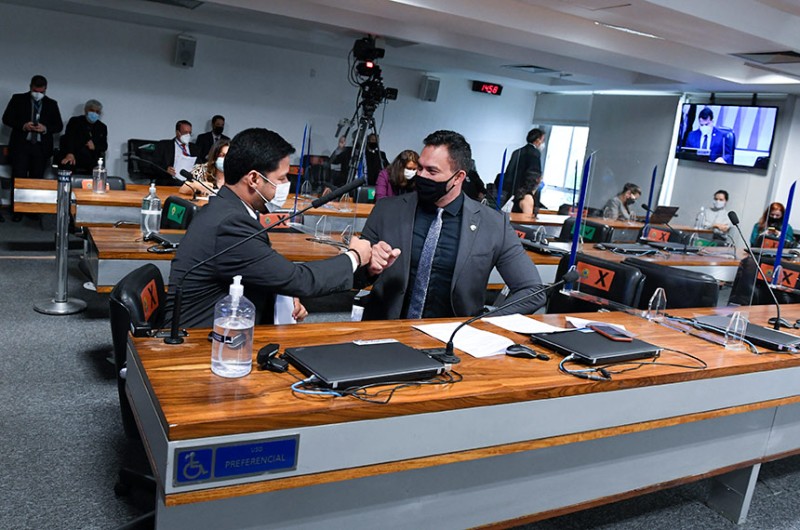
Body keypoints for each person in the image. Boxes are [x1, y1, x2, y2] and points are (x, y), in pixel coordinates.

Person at [164, 128, 372, 328]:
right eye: (281, 178)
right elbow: (300, 280)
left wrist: (284, 292)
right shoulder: (231, 224)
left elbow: (263, 270)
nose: (286, 184)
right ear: (254, 179)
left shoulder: (226, 208)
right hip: (201, 340)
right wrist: (354, 256)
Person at [357, 130, 547, 320]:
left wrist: (483, 323)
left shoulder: (494, 224)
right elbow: (354, 277)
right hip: (385, 328)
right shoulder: (387, 210)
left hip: (454, 333)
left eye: (432, 171)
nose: (421, 175)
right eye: (420, 168)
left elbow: (532, 291)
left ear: (458, 177)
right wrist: (370, 267)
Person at [2, 75, 63, 222]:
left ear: (45, 89)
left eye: (41, 91)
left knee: (37, 179)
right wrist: (23, 125)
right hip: (21, 146)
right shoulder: (18, 99)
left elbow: (58, 126)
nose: (38, 94)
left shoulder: (51, 104)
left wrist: (45, 128)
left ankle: (33, 210)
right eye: (35, 91)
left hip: (41, 148)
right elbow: (6, 118)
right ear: (30, 87)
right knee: (19, 178)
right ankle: (17, 210)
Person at [496, 128, 545, 204]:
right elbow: (533, 175)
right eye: (542, 140)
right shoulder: (535, 153)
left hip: (512, 191)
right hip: (524, 193)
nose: (542, 142)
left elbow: (509, 172)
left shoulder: (517, 152)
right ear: (537, 140)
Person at [59, 99, 108, 174]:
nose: (94, 113)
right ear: (86, 110)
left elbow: (104, 146)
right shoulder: (75, 121)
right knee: (67, 164)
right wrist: (70, 153)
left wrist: (95, 146)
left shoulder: (102, 127)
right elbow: (68, 138)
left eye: (97, 112)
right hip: (74, 154)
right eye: (92, 110)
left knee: (97, 170)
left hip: (91, 158)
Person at [152, 120, 198, 185]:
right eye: (185, 132)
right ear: (177, 132)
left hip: (189, 182)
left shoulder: (195, 148)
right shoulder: (164, 145)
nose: (188, 135)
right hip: (169, 181)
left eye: (190, 133)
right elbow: (154, 165)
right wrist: (166, 169)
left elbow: (199, 164)